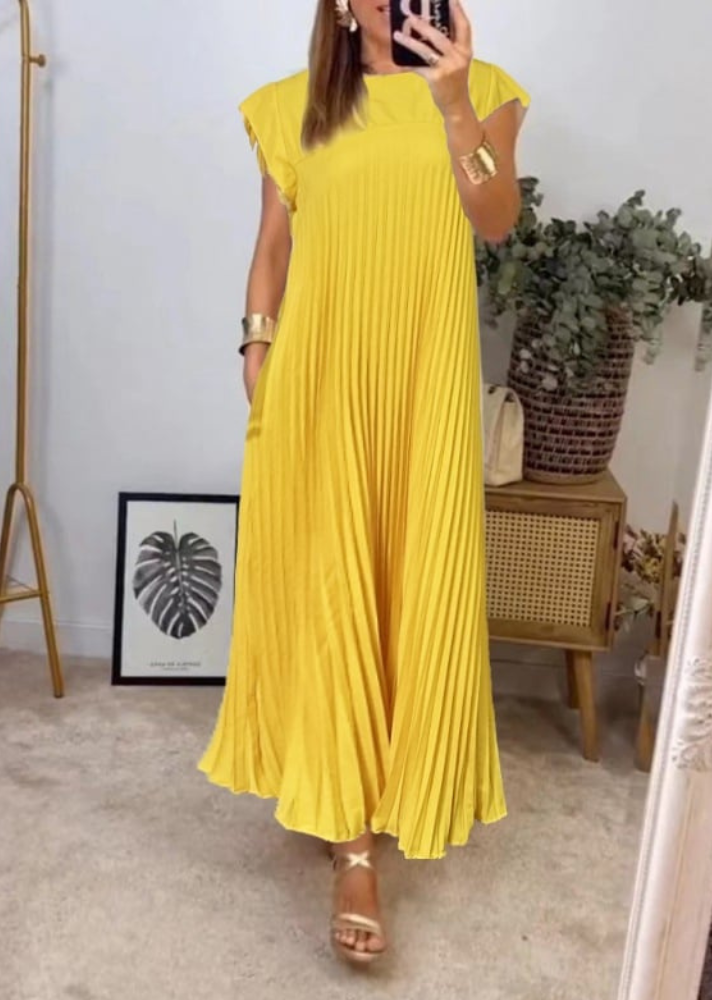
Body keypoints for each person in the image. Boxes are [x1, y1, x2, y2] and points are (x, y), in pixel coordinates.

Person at [199, 0, 529, 967]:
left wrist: (455, 102)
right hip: (321, 380)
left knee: (416, 581)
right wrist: (256, 346)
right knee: (335, 585)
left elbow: (497, 222)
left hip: (424, 383)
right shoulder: (290, 105)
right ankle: (352, 849)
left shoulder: (487, 91)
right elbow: (273, 244)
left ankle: (393, 783)